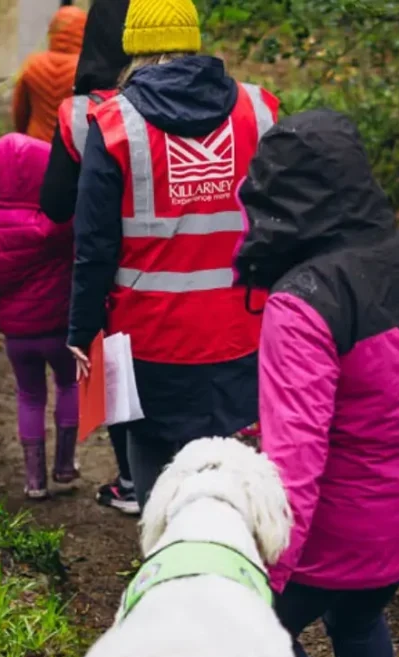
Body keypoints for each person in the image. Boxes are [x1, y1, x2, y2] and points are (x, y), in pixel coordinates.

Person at [232, 109, 399, 657]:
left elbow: (295, 461)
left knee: (259, 631)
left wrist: (268, 572)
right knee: (358, 620)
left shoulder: (303, 302)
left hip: (334, 531)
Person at [64, 0, 280, 510]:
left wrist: (81, 330)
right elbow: (286, 217)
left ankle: (168, 551)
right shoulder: (259, 109)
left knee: (156, 477)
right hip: (244, 330)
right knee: (233, 471)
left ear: (133, 49)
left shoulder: (113, 123)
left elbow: (94, 245)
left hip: (149, 339)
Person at [40, 0, 139, 515]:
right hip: (193, 270)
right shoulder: (210, 101)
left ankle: (132, 479)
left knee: (119, 371)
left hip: (113, 277)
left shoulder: (81, 113)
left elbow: (55, 204)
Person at [0, 133, 78, 500]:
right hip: (59, 329)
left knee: (29, 396)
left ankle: (34, 480)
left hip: (18, 338)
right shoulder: (60, 223)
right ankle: (65, 465)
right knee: (68, 385)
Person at [12, 6, 86, 142]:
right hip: (70, 147)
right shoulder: (85, 70)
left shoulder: (32, 65)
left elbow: (20, 111)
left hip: (35, 143)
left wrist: (24, 137)